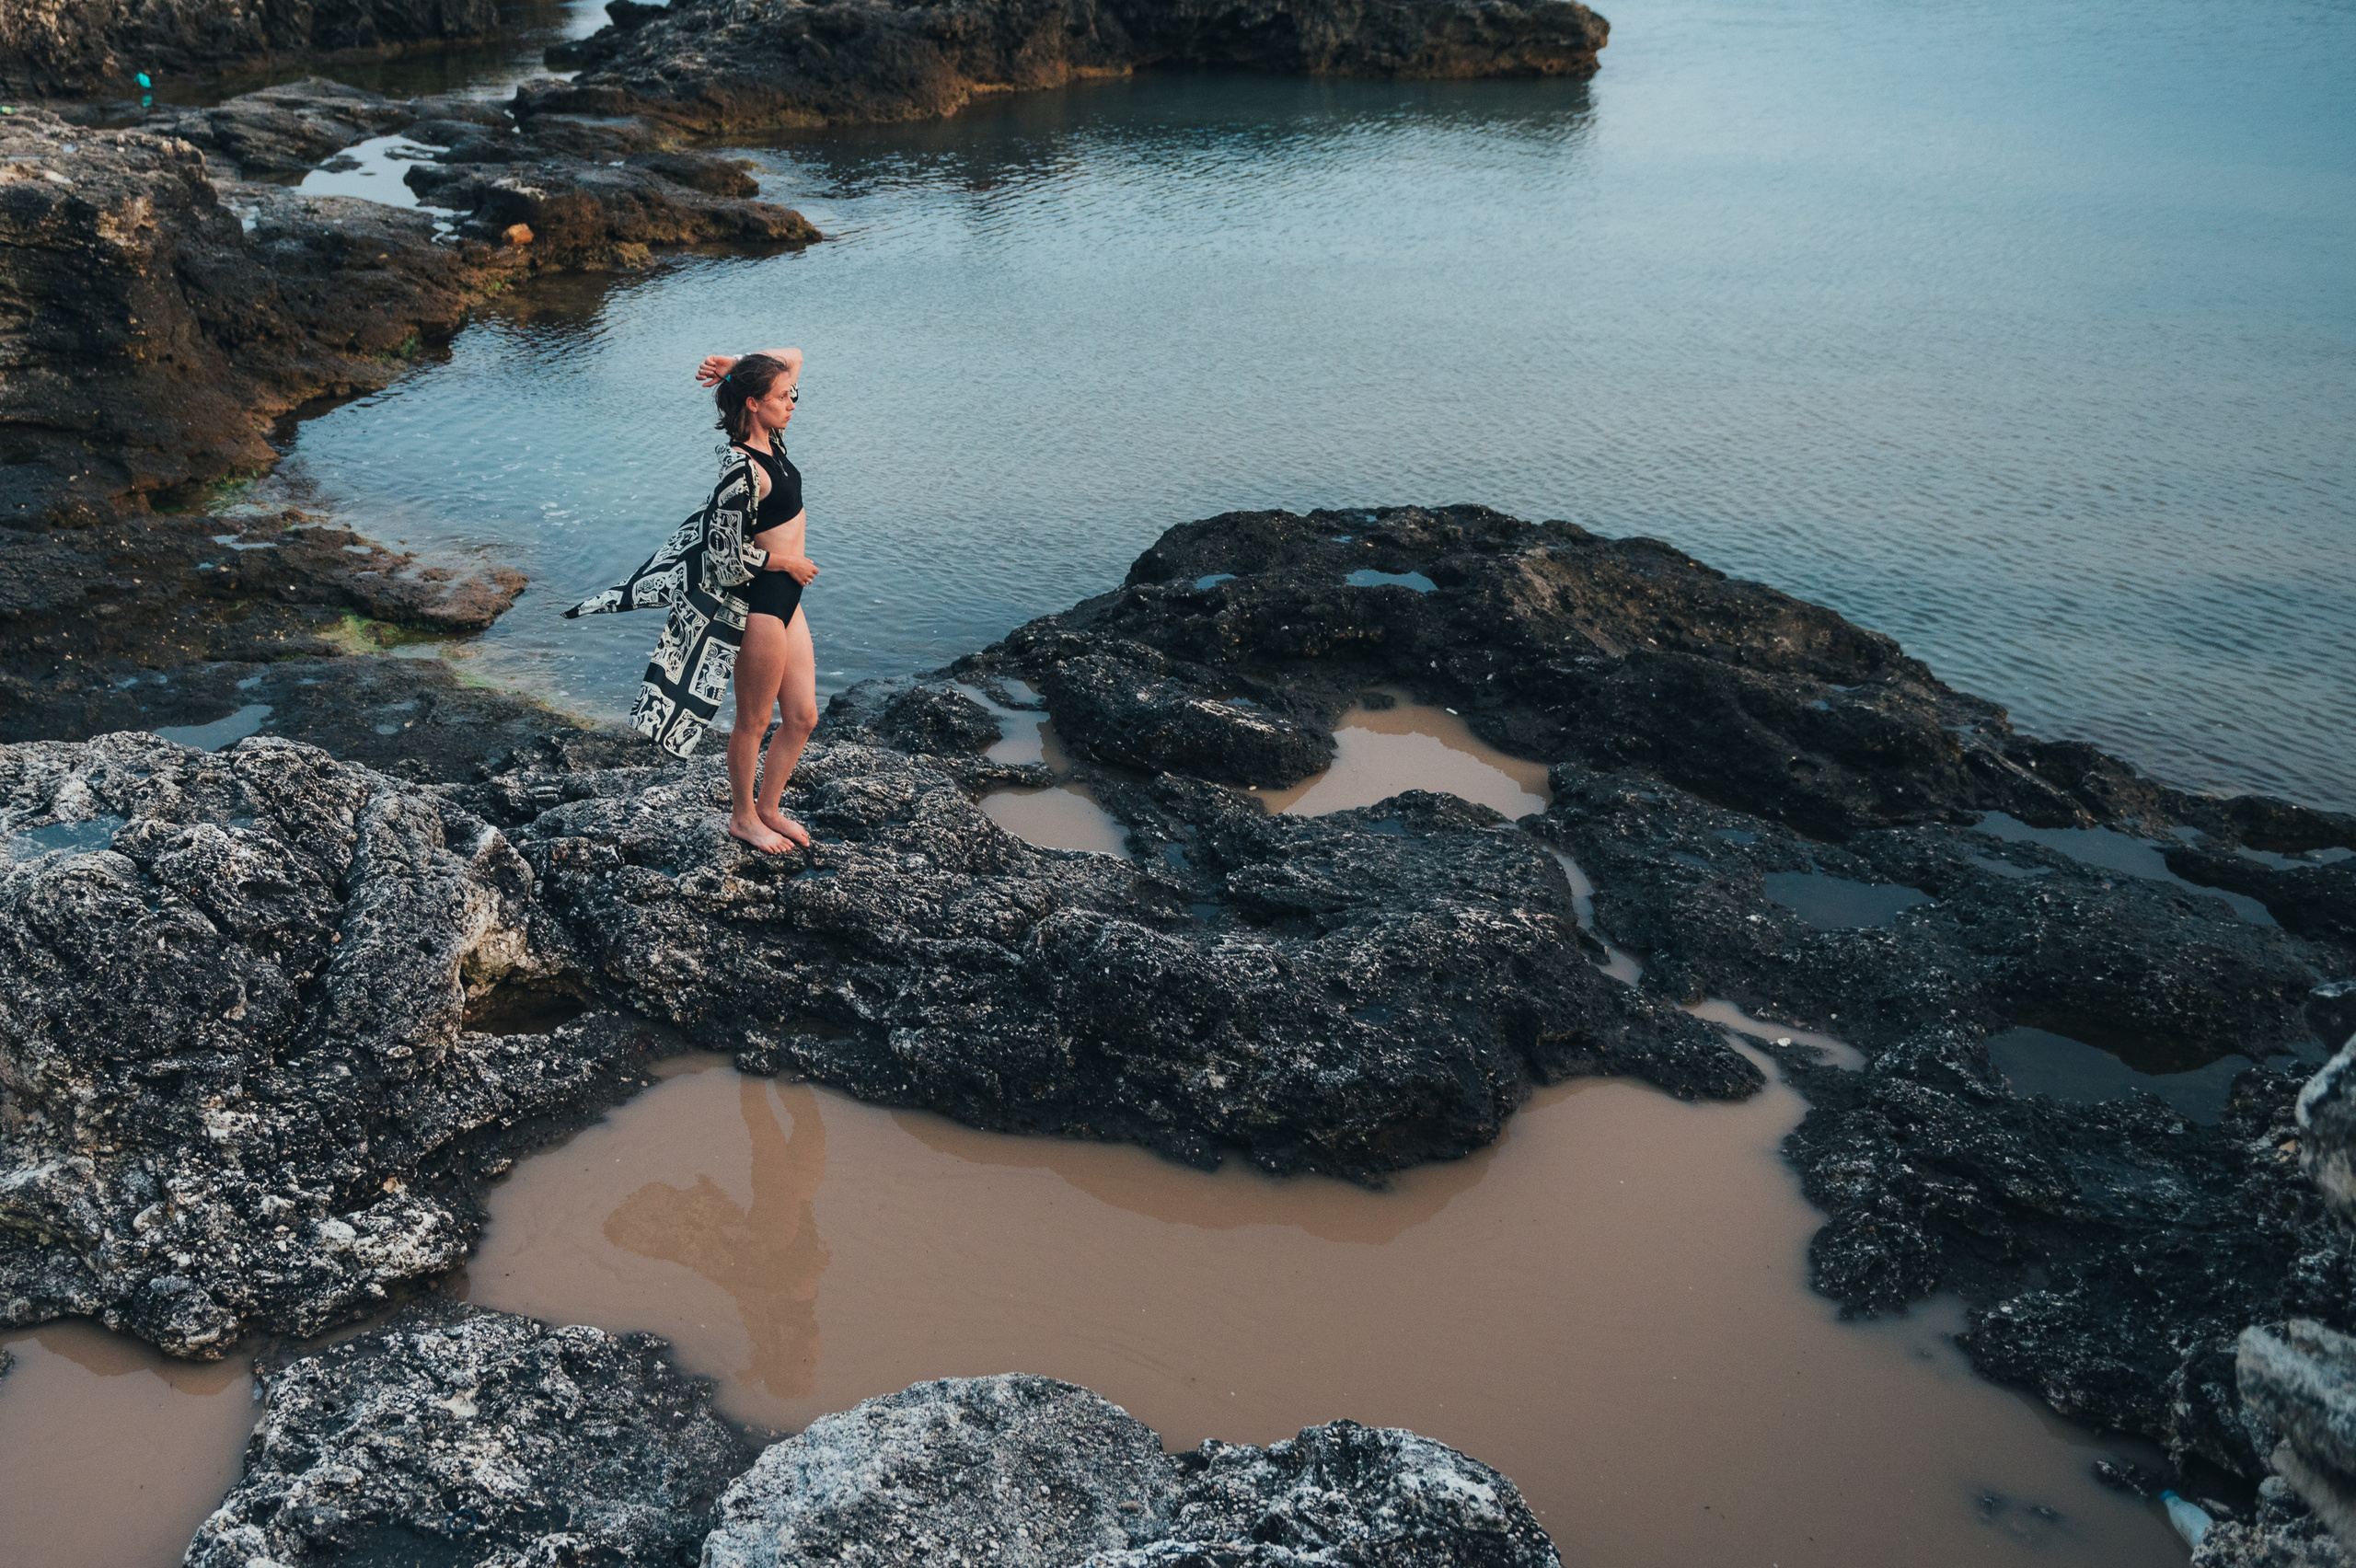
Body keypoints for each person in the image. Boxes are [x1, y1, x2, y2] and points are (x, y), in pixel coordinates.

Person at [564, 348, 821, 854]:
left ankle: (770, 806)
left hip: (790, 602)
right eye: (781, 397)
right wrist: (784, 564)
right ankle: (743, 817)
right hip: (761, 606)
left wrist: (735, 364)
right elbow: (724, 558)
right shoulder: (740, 469)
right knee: (754, 720)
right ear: (753, 404)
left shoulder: (776, 442)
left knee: (803, 716)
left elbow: (794, 354)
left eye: (793, 395)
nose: (792, 402)